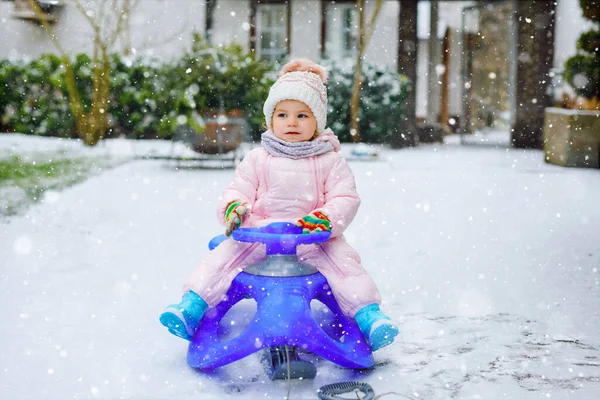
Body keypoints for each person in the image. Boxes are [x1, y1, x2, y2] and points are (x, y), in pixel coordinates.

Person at [160, 59, 398, 351]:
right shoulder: (258, 158)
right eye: (283, 114)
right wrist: (235, 207)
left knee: (345, 265)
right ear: (271, 120)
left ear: (318, 121)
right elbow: (238, 189)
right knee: (222, 259)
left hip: (312, 237)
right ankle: (191, 307)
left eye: (302, 115)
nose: (292, 122)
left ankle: (369, 316)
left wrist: (325, 219)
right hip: (261, 234)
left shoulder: (329, 160)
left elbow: (345, 197)